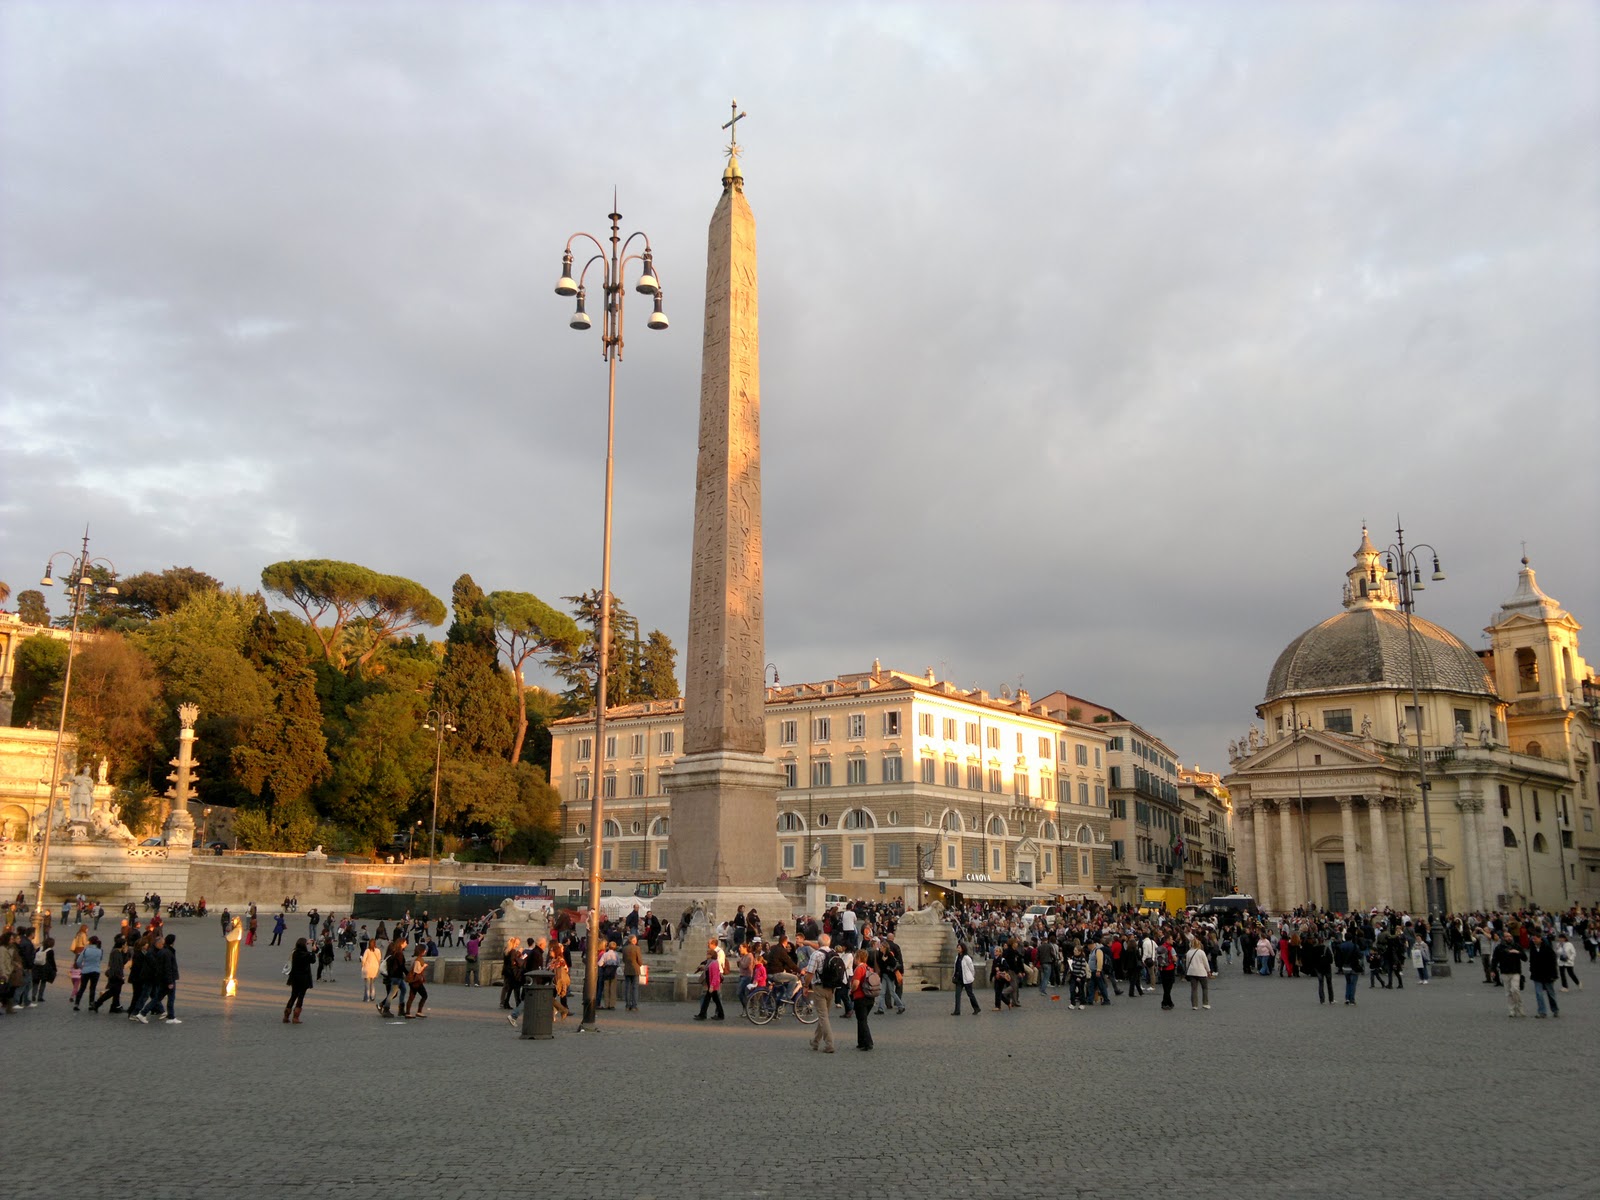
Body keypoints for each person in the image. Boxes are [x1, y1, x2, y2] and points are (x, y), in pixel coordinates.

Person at [807, 934, 839, 1052]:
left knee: (823, 1017)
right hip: (831, 988)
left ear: (819, 943)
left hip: (819, 987)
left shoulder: (816, 954)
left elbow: (810, 973)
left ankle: (829, 1044)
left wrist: (805, 986)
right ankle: (815, 1041)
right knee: (823, 1016)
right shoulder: (834, 953)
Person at [1492, 933, 1526, 1018]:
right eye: (1507, 937)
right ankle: (1511, 1010)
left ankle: (1519, 1006)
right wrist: (1493, 970)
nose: (1509, 938)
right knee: (1508, 992)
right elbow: (1494, 959)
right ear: (1503, 938)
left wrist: (1518, 952)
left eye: (1510, 936)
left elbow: (1525, 958)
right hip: (1504, 972)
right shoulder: (1499, 947)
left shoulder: (1517, 946)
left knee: (1515, 990)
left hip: (1516, 971)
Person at [1527, 932, 1560, 1019]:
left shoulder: (1548, 948)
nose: (1533, 940)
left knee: (1550, 994)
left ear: (1540, 939)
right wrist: (1531, 970)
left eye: (1535, 939)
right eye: (1533, 939)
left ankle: (1555, 1009)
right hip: (1537, 975)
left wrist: (1554, 975)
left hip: (1548, 975)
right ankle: (1542, 1012)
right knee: (1539, 994)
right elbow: (1531, 961)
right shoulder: (1532, 948)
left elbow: (1553, 962)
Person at [850, 951, 876, 1050]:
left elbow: (856, 983)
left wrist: (851, 991)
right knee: (861, 1020)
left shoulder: (859, 969)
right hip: (870, 996)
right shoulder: (869, 968)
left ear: (858, 958)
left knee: (862, 1021)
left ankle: (868, 1042)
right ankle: (861, 1041)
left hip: (860, 997)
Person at [694, 939, 725, 1021]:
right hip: (710, 984)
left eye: (708, 954)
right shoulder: (710, 962)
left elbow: (715, 976)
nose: (706, 955)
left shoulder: (714, 963)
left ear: (711, 955)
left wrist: (711, 986)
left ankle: (703, 1014)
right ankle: (720, 1014)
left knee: (708, 1000)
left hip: (712, 984)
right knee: (715, 1000)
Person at [72, 935, 102, 1011]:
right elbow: (100, 960)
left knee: (82, 988)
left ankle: (77, 1004)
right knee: (93, 988)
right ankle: (91, 1004)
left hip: (86, 971)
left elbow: (78, 961)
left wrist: (82, 967)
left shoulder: (86, 950)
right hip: (96, 971)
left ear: (90, 942)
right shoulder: (100, 951)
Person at [1185, 936, 1213, 1010]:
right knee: (1204, 988)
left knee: (1194, 989)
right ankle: (1205, 1003)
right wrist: (1208, 971)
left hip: (1192, 972)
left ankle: (1194, 1005)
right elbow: (1206, 963)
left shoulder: (1188, 953)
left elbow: (1187, 964)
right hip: (1201, 972)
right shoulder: (1201, 952)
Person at [951, 942, 980, 1015]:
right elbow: (956, 968)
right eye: (957, 947)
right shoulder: (957, 957)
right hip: (959, 979)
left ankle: (976, 1008)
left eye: (959, 948)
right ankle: (957, 1010)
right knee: (957, 995)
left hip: (967, 979)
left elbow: (971, 968)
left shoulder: (967, 958)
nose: (958, 949)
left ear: (963, 949)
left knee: (970, 994)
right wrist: (954, 975)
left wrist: (971, 976)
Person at [404, 945, 430, 1018]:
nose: (425, 951)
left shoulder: (415, 959)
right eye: (424, 950)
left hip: (413, 981)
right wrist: (424, 966)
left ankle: (408, 1012)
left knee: (411, 997)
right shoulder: (418, 960)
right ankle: (419, 1011)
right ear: (421, 951)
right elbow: (417, 971)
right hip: (416, 981)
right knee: (424, 995)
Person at [620, 934, 643, 1011]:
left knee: (627, 987)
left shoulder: (624, 948)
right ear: (633, 940)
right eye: (635, 940)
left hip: (627, 969)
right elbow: (639, 960)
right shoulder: (637, 948)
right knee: (635, 988)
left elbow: (623, 959)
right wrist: (640, 964)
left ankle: (627, 1005)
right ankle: (634, 1005)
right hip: (635, 969)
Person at [1156, 936, 1178, 1010]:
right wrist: (1175, 959)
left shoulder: (1160, 947)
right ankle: (1164, 1002)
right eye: (1171, 939)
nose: (1173, 940)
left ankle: (1169, 1002)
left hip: (1162, 969)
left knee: (1165, 986)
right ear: (1168, 940)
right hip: (1170, 968)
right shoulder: (1171, 948)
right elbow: (1175, 959)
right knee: (1168, 987)